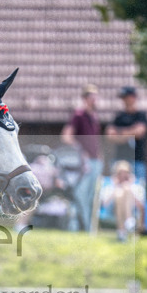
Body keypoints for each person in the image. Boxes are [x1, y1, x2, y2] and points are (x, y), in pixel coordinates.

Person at [61, 84, 102, 231]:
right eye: (91, 96)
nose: (94, 99)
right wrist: (81, 150)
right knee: (81, 195)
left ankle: (87, 226)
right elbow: (66, 136)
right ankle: (83, 227)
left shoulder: (94, 117)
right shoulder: (79, 115)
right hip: (85, 163)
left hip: (95, 161)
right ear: (84, 98)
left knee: (91, 196)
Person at [105, 86, 147, 186]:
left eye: (126, 97)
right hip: (120, 161)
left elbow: (139, 133)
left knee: (138, 190)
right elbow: (110, 135)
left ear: (133, 97)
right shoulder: (118, 117)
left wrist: (120, 133)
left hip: (137, 160)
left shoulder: (140, 115)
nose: (124, 100)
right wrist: (131, 132)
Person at [102, 160, 146, 241]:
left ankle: (121, 233)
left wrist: (129, 188)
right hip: (112, 209)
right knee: (119, 194)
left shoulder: (135, 187)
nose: (123, 175)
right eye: (120, 173)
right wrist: (116, 187)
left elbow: (140, 205)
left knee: (126, 189)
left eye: (125, 172)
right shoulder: (111, 186)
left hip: (132, 208)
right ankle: (129, 221)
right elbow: (105, 204)